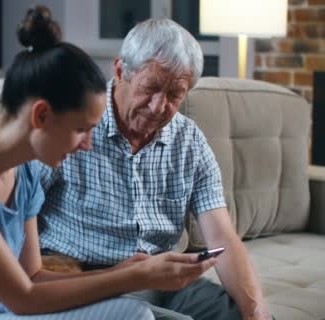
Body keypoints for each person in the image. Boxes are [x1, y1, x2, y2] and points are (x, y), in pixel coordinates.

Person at [0, 7, 217, 320]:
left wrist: (121, 273)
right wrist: (133, 276)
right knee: (135, 316)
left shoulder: (20, 171)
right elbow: (23, 298)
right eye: (81, 130)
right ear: (42, 115)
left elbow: (34, 275)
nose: (87, 145)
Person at [36, 18, 272, 320]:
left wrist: (256, 312)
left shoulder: (189, 142)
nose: (159, 106)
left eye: (175, 95)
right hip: (77, 278)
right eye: (151, 87)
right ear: (121, 71)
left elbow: (222, 237)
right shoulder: (73, 124)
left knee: (243, 314)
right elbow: (15, 218)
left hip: (159, 277)